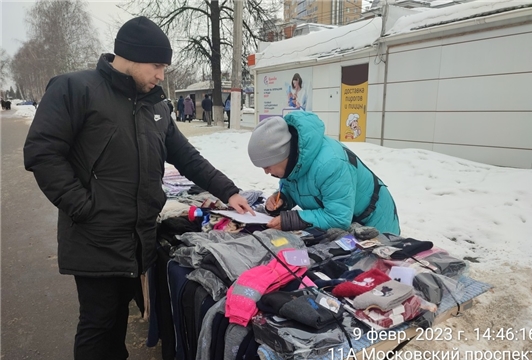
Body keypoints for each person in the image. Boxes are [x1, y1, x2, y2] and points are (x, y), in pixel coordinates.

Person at [23, 16, 254, 360]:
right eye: (157, 65)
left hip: (138, 241)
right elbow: (41, 152)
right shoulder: (76, 89)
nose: (162, 74)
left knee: (118, 323)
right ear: (129, 56)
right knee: (98, 327)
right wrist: (82, 206)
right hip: (94, 239)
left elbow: (187, 157)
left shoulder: (155, 106)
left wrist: (229, 191)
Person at [247, 112, 400, 235]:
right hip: (348, 221)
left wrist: (292, 219)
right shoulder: (292, 161)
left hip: (374, 220)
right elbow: (295, 185)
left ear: (283, 154)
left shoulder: (330, 164)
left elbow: (338, 218)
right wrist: (282, 199)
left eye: (267, 166)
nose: (266, 172)